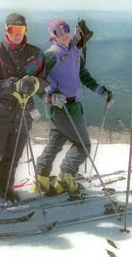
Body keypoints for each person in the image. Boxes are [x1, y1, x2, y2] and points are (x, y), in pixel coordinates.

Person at [0, 13, 48, 209]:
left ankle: (4, 187)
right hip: (1, 112)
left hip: (23, 113)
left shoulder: (36, 54)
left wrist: (35, 83)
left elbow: (44, 80)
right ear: (6, 30)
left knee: (13, 154)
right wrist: (13, 84)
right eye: (13, 30)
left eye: (21, 30)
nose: (17, 34)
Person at [34, 18, 114, 195]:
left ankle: (41, 176)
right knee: (83, 145)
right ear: (52, 35)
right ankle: (66, 176)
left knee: (55, 142)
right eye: (58, 32)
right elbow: (34, 81)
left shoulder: (75, 51)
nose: (63, 35)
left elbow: (83, 74)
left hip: (72, 106)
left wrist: (99, 90)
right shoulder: (51, 54)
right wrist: (47, 98)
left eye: (66, 29)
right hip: (62, 107)